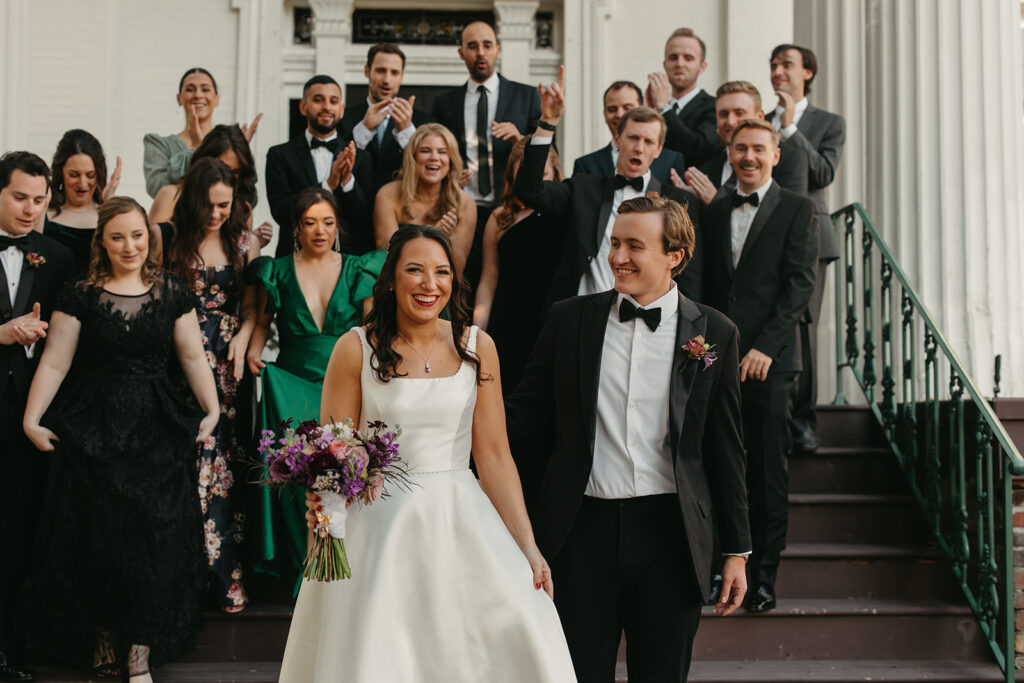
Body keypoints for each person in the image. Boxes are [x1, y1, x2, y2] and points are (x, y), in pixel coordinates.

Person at [279, 225, 576, 682]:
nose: (428, 284)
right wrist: (325, 532)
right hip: (376, 529)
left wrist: (528, 546)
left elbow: (494, 455)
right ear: (392, 279)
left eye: (441, 272)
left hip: (460, 519)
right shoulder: (355, 348)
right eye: (414, 270)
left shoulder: (478, 348)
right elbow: (332, 455)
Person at [505, 195, 751, 683]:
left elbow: (726, 447)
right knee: (576, 674)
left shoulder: (714, 332)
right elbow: (522, 416)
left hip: (672, 536)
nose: (618, 257)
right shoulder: (568, 319)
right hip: (581, 532)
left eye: (635, 245)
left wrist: (737, 551)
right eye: (615, 243)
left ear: (674, 256)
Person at [20, 197, 219, 682]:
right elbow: (54, 361)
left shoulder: (171, 292)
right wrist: (31, 419)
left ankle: (139, 657)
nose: (129, 245)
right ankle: (105, 639)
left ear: (149, 237)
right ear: (101, 242)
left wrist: (212, 407)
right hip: (93, 426)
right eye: (117, 236)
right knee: (98, 540)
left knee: (153, 543)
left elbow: (193, 357)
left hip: (155, 430)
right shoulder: (81, 292)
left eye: (137, 235)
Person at [700, 118, 817, 614]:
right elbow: (704, 283)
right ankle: (717, 572)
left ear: (775, 156)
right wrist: (703, 349)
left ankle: (764, 579)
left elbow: (799, 286)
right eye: (740, 148)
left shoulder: (798, 208)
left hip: (771, 363)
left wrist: (766, 347)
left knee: (766, 471)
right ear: (730, 154)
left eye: (758, 149)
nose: (748, 156)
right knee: (717, 467)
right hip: (715, 360)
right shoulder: (715, 209)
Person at [245, 187, 386, 596]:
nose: (319, 231)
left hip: (343, 387)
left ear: (337, 226)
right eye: (310, 223)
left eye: (327, 222)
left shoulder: (358, 269)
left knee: (343, 479)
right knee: (295, 482)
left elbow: (369, 331)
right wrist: (254, 357)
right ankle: (302, 575)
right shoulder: (278, 271)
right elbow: (262, 323)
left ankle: (338, 572)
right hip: (289, 385)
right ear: (297, 229)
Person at [514, 67, 703, 305]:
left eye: (648, 141)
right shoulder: (582, 187)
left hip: (646, 319)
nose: (639, 148)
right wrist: (548, 123)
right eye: (633, 137)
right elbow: (529, 190)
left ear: (659, 149)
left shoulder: (677, 201)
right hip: (581, 315)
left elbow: (690, 276)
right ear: (617, 139)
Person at [167, 156, 261, 613]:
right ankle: (181, 580)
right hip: (179, 365)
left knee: (225, 468)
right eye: (209, 205)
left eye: (224, 205)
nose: (217, 214)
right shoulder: (170, 242)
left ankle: (225, 575)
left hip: (229, 369)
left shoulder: (242, 241)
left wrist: (243, 335)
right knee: (186, 465)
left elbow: (256, 307)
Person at [0, 151, 74, 683]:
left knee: (16, 535)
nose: (30, 209)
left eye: (39, 199)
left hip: (26, 418)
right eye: (19, 197)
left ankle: (9, 649)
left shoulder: (57, 256)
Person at [766, 44, 846, 455]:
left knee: (805, 330)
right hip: (764, 234)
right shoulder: (758, 123)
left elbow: (822, 174)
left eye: (787, 65)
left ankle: (803, 422)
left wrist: (791, 128)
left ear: (808, 72)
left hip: (812, 237)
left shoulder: (828, 123)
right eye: (773, 65)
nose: (778, 71)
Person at [431, 21, 541, 290]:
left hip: (511, 211)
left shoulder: (526, 97)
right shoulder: (445, 104)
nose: (480, 52)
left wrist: (520, 140)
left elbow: (550, 157)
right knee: (460, 283)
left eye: (487, 45)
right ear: (461, 54)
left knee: (510, 285)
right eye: (472, 46)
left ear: (498, 50)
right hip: (463, 211)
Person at [473, 136, 563, 393]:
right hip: (508, 320)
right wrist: (479, 328)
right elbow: (489, 278)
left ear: (555, 173)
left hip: (551, 320)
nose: (533, 181)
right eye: (525, 174)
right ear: (513, 177)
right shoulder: (500, 217)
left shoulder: (567, 214)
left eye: (541, 173)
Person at [266, 75, 374, 257]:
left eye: (333, 101)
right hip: (294, 258)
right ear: (303, 107)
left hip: (346, 262)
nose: (326, 107)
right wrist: (327, 186)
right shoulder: (280, 155)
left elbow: (364, 220)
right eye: (318, 100)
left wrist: (347, 182)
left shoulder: (361, 158)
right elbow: (281, 212)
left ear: (341, 110)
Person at [680, 81, 809, 205]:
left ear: (759, 117)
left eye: (739, 113)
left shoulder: (791, 160)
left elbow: (791, 218)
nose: (730, 122)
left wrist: (716, 202)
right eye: (724, 114)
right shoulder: (706, 169)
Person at [372, 123, 476, 273]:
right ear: (413, 157)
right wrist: (434, 237)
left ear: (451, 159)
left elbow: (458, 269)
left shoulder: (465, 203)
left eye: (442, 152)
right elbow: (387, 258)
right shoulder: (388, 195)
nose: (434, 158)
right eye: (425, 151)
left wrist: (449, 236)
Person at [149, 124, 272, 249]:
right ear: (203, 159)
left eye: (235, 172)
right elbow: (154, 252)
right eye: (223, 167)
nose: (227, 176)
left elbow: (238, 263)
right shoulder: (171, 196)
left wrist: (250, 245)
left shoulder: (243, 208)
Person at [340, 42, 433, 194]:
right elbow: (333, 163)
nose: (387, 80)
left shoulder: (424, 121)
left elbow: (429, 169)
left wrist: (407, 132)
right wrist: (364, 129)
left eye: (394, 72)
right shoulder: (344, 118)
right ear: (366, 71)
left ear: (402, 76)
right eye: (380, 70)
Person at [572, 80, 686, 183]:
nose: (620, 115)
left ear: (641, 108)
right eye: (612, 109)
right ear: (604, 114)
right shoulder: (585, 165)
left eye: (627, 108)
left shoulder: (672, 161)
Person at [43, 129, 122, 273]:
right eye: (74, 175)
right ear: (61, 173)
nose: (83, 183)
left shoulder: (108, 214)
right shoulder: (44, 215)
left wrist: (110, 204)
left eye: (90, 175)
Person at [645, 28, 718, 167]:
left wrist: (664, 108)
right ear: (665, 64)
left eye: (688, 58)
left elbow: (697, 150)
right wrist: (649, 115)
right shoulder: (654, 108)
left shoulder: (714, 107)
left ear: (702, 67)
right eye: (673, 57)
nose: (679, 64)